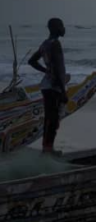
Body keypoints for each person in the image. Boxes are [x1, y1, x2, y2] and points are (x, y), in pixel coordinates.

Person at [28, 18, 68, 154]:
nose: (64, 28)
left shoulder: (45, 43)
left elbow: (32, 61)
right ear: (55, 28)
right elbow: (57, 68)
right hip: (53, 86)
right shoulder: (55, 44)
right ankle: (48, 149)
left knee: (50, 118)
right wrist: (63, 91)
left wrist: (46, 71)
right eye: (61, 26)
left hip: (47, 85)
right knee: (53, 119)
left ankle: (47, 148)